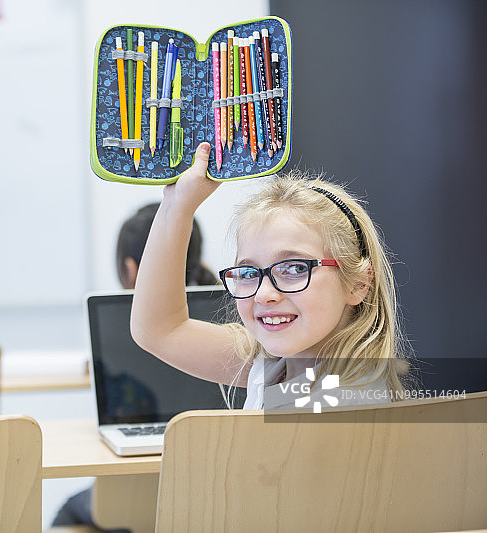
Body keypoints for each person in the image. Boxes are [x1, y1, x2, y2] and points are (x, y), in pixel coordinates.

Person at [131, 142, 410, 410]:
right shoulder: (274, 365)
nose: (264, 294)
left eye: (295, 268)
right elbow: (159, 330)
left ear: (359, 283)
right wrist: (178, 203)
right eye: (249, 272)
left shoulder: (342, 401)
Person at [51, 202, 217, 531]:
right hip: (213, 491)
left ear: (130, 269)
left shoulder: (125, 326)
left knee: (73, 509)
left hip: (135, 498)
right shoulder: (231, 314)